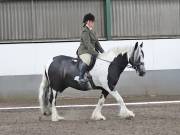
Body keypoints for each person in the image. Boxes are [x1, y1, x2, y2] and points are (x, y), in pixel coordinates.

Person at [77, 13, 104, 83]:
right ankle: (81, 77)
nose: (93, 23)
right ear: (88, 22)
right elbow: (87, 44)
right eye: (92, 22)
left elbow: (97, 43)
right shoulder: (85, 31)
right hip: (84, 51)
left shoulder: (92, 31)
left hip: (91, 51)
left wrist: (103, 52)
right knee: (87, 59)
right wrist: (95, 53)